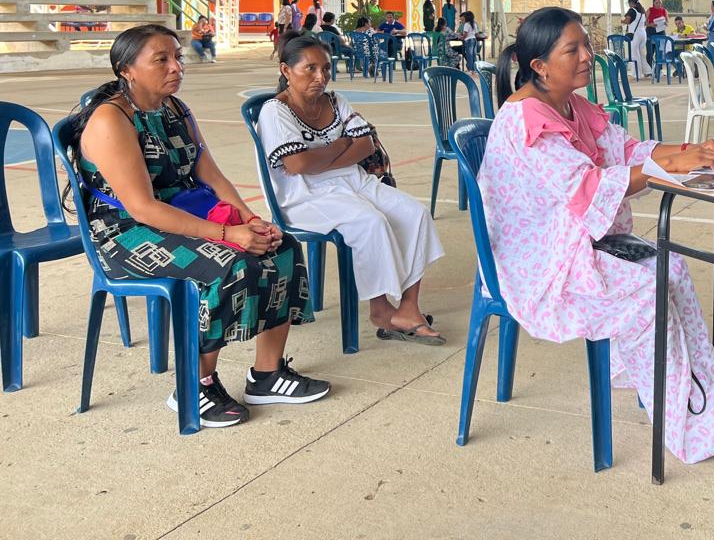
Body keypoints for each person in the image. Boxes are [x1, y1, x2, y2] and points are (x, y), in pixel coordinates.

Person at [478, 6, 714, 462]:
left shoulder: (570, 104)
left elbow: (624, 148)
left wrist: (685, 152)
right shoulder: (527, 121)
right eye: (572, 49)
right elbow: (587, 188)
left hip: (572, 243)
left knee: (671, 268)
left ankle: (680, 391)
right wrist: (668, 166)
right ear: (538, 66)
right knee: (648, 292)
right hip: (539, 265)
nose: (586, 57)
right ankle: (696, 428)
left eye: (587, 46)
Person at [69, 24, 329, 428]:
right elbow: (141, 208)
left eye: (177, 56)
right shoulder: (111, 119)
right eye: (162, 59)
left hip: (186, 217)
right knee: (230, 264)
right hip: (126, 233)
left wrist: (250, 219)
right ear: (127, 69)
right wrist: (228, 235)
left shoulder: (174, 109)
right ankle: (196, 383)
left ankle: (267, 374)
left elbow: (213, 177)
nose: (176, 66)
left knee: (283, 247)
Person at [259, 33, 446, 344]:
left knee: (415, 213)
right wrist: (342, 145)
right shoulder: (275, 111)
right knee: (370, 222)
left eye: (326, 69)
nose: (321, 77)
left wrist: (326, 156)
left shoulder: (335, 101)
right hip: (304, 195)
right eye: (310, 69)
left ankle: (409, 307)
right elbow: (297, 166)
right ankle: (381, 309)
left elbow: (365, 145)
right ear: (285, 70)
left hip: (354, 181)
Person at [623, 0, 651, 78]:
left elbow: (627, 21)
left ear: (631, 3)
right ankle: (648, 71)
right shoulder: (642, 11)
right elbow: (645, 21)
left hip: (635, 34)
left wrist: (622, 21)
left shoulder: (632, 10)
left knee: (634, 54)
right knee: (641, 54)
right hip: (643, 34)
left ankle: (637, 74)